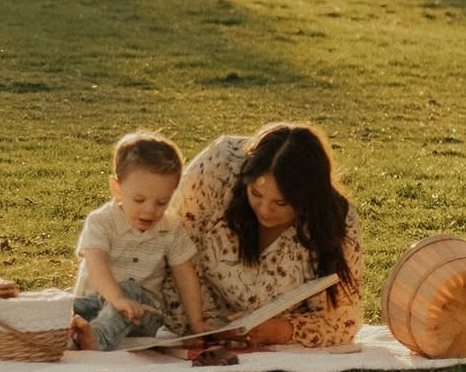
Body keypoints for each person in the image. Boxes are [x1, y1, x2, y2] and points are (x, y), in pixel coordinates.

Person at [168, 122, 363, 347]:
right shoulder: (219, 166)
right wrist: (204, 323)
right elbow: (171, 238)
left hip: (270, 326)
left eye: (281, 203)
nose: (264, 209)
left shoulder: (335, 220)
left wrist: (277, 331)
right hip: (191, 313)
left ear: (308, 198)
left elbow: (342, 322)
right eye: (256, 193)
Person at [71, 132, 207, 351]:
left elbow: (185, 275)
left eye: (162, 202)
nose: (150, 210)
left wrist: (196, 322)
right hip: (95, 302)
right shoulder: (101, 221)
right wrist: (115, 298)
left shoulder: (170, 227)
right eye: (140, 200)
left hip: (143, 312)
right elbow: (96, 263)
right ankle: (62, 331)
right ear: (117, 188)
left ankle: (96, 339)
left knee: (129, 290)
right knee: (63, 305)